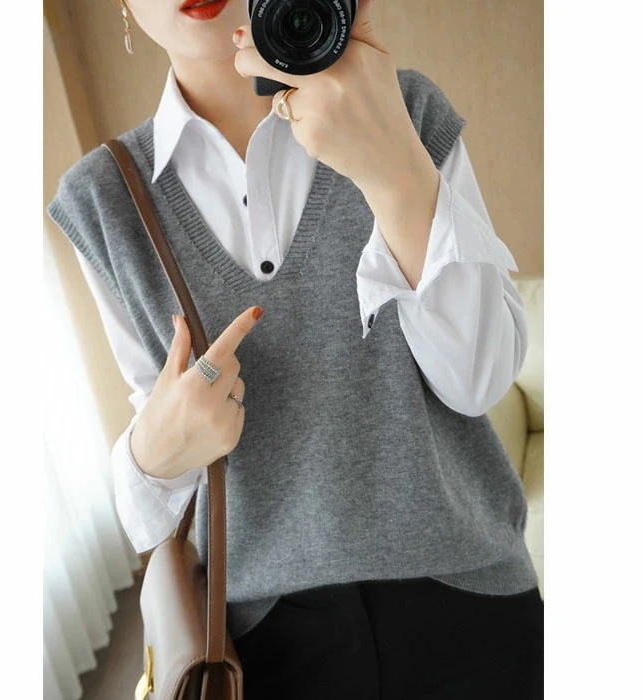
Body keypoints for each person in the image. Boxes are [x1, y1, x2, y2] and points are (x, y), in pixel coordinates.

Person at [47, 0, 544, 697]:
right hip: (262, 642)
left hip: (467, 596)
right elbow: (149, 501)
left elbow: (479, 382)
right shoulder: (104, 200)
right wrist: (152, 454)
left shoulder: (401, 110)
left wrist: (395, 171)